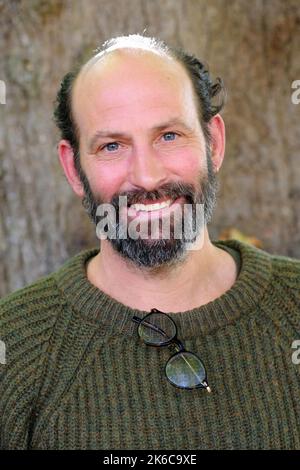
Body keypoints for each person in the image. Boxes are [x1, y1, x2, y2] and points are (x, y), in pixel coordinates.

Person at [0, 34, 299, 450]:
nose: (147, 176)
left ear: (213, 143)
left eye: (169, 136)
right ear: (73, 168)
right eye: (112, 145)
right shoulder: (14, 346)